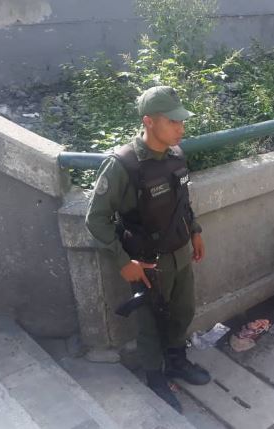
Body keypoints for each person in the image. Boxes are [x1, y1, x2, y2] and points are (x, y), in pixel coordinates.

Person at [85, 86, 210, 412]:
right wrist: (122, 260)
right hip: (148, 264)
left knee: (182, 312)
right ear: (149, 122)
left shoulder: (176, 155)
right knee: (150, 325)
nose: (181, 129)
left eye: (181, 122)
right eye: (172, 122)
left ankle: (177, 362)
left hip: (181, 253)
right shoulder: (123, 165)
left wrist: (194, 231)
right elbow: (95, 219)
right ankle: (155, 379)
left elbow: (182, 202)